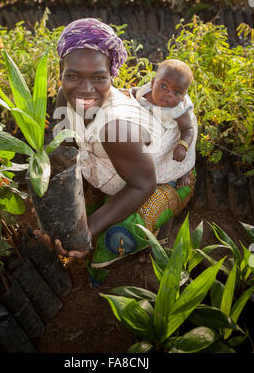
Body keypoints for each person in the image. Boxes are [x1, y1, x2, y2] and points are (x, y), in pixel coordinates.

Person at [34, 18, 196, 283]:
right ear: (61, 70)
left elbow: (144, 185)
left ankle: (148, 245)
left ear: (112, 73)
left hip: (165, 180)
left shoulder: (115, 127)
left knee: (116, 237)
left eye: (99, 77)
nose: (85, 90)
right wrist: (51, 204)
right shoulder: (65, 97)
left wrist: (86, 232)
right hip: (118, 172)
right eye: (73, 75)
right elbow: (65, 148)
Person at [131, 59, 197, 189]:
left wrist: (182, 145)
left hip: (175, 132)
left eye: (177, 92)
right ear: (153, 82)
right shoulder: (145, 91)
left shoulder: (178, 109)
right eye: (163, 86)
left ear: (184, 95)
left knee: (179, 157)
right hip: (153, 124)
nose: (168, 94)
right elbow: (132, 92)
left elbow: (188, 129)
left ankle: (184, 172)